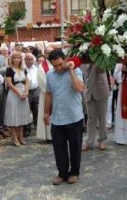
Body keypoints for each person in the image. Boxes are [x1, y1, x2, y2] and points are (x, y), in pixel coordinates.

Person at [43, 50, 85, 185]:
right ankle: (62, 173)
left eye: (61, 64)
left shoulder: (76, 71)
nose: (58, 68)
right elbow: (49, 94)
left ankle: (74, 172)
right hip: (57, 117)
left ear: (65, 59)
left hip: (74, 116)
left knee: (75, 147)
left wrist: (71, 71)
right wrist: (46, 112)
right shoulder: (49, 75)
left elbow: (79, 88)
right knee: (59, 148)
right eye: (55, 66)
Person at [81, 62, 111, 151]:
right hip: (89, 92)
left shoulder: (100, 56)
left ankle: (102, 140)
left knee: (102, 117)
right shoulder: (81, 57)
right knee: (91, 118)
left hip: (101, 90)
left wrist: (96, 59)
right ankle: (89, 142)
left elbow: (102, 69)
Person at [4, 52, 32, 146]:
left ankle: (21, 136)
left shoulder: (23, 69)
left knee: (22, 115)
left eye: (18, 58)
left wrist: (26, 92)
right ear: (12, 59)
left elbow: (27, 81)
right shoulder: (9, 70)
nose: (17, 59)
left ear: (21, 59)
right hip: (14, 94)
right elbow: (9, 84)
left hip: (23, 94)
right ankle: (14, 137)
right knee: (14, 115)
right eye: (15, 58)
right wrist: (19, 93)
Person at [36, 46, 54, 141]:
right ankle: (49, 136)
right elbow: (42, 82)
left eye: (51, 52)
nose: (49, 54)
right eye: (47, 53)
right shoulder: (41, 67)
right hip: (46, 94)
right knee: (47, 113)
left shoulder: (57, 63)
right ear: (44, 54)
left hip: (57, 94)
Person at [25, 53, 40, 136]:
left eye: (31, 59)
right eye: (28, 59)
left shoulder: (37, 68)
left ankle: (37, 127)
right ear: (25, 60)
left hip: (36, 91)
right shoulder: (23, 69)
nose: (30, 61)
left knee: (36, 110)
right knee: (27, 110)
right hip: (27, 91)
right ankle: (27, 129)